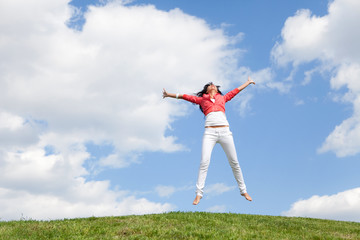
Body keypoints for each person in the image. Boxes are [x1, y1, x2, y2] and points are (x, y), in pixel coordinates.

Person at [163, 77, 255, 205]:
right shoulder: (201, 100)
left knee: (234, 162)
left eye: (214, 85)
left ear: (217, 90)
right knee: (204, 162)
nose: (212, 85)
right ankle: (198, 194)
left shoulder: (222, 98)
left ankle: (243, 191)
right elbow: (184, 96)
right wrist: (168, 95)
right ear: (206, 90)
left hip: (225, 132)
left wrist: (248, 82)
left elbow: (236, 90)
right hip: (209, 133)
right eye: (210, 85)